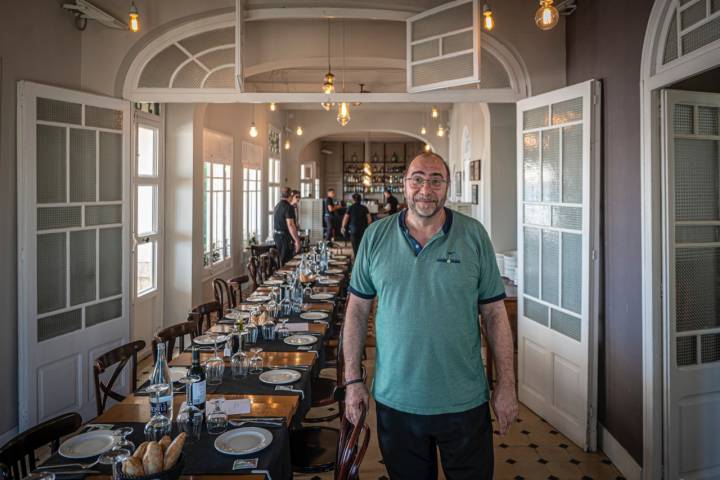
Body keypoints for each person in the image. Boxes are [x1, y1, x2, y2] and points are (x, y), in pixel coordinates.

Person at [342, 152, 517, 480]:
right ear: (404, 185)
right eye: (417, 178)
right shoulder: (375, 237)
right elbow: (355, 313)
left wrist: (506, 383)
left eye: (436, 180)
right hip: (396, 401)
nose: (426, 188)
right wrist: (353, 381)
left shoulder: (473, 234)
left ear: (447, 187)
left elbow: (494, 313)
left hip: (464, 401)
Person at [272, 187, 301, 264]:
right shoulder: (288, 207)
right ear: (290, 195)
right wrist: (297, 240)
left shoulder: (277, 205)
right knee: (288, 262)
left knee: (282, 260)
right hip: (284, 237)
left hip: (276, 236)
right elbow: (291, 225)